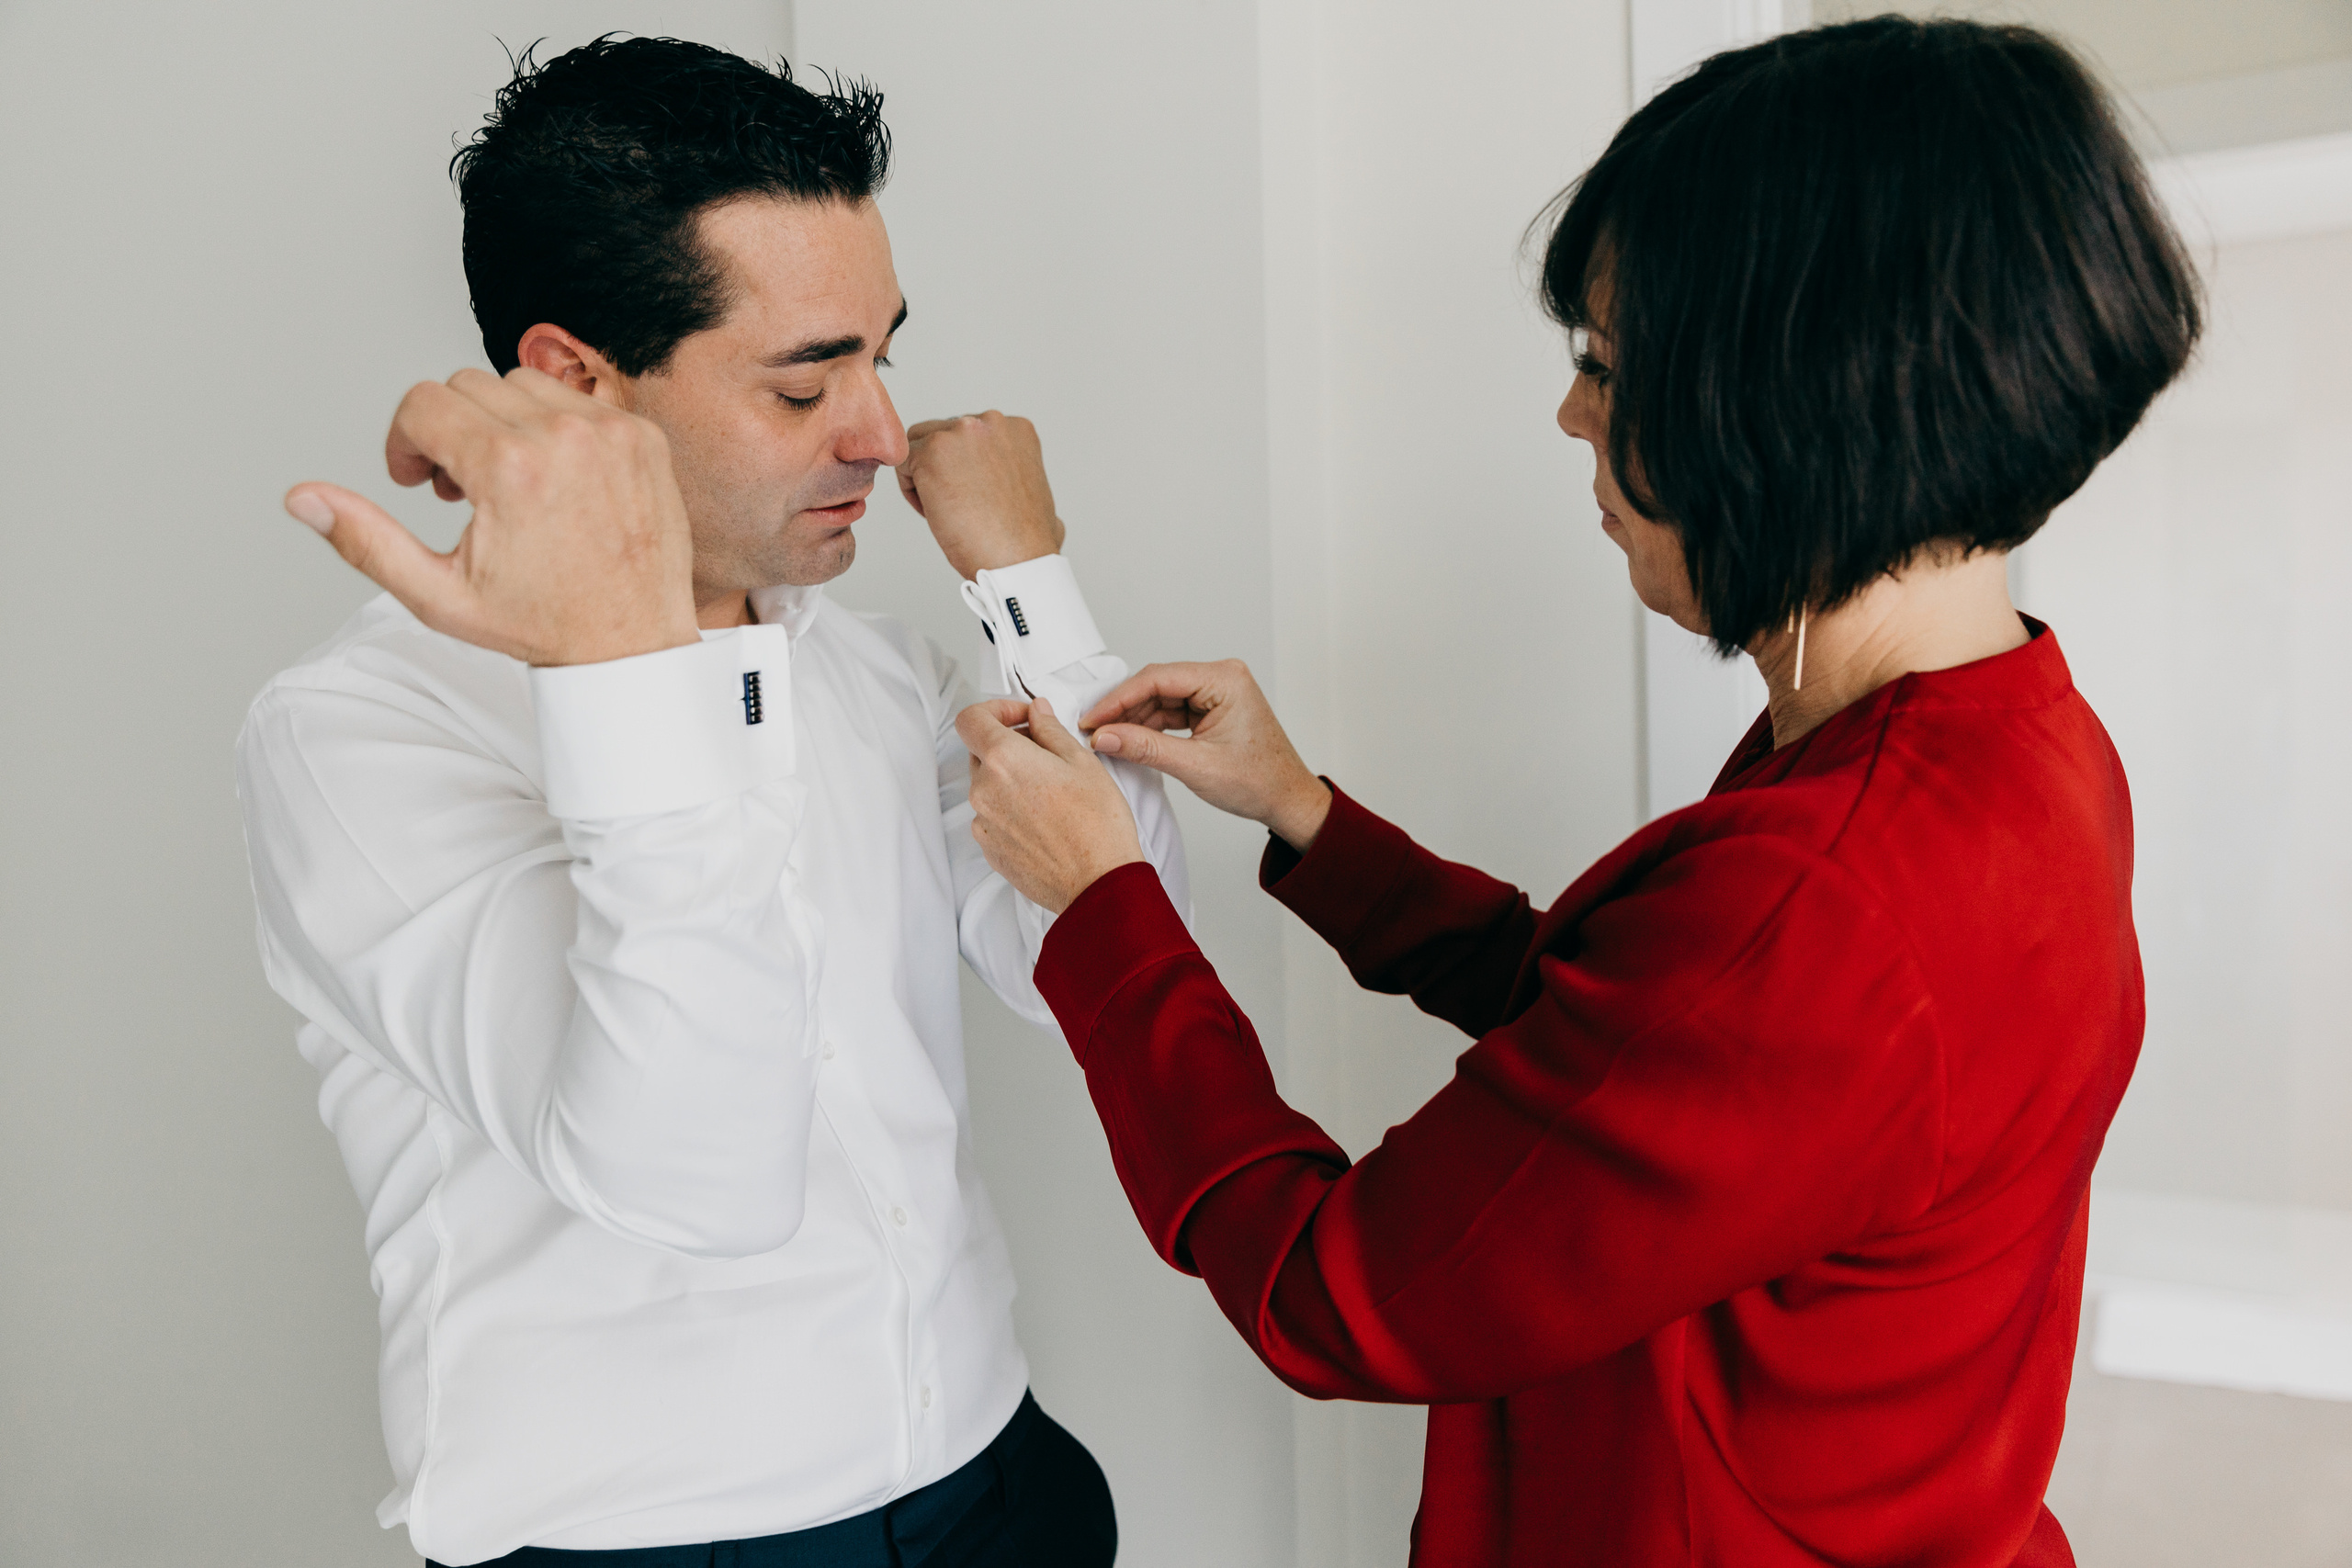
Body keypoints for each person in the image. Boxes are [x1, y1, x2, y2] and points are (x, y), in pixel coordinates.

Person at [951, 17, 2196, 1568]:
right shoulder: (2006, 731)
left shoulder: (1832, 897)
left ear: (1789, 404)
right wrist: (1309, 820)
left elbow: (1334, 1296)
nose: (1572, 419)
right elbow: (1639, 1058)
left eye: (1607, 368)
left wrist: (1102, 913)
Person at [237, 37, 1172, 1568]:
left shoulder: (869, 665)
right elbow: (696, 1173)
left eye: (883, 355)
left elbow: (1116, 954)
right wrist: (623, 663)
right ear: (573, 383)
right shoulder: (358, 737)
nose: (879, 433)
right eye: (809, 379)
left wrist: (1030, 592)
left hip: (998, 1484)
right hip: (657, 1543)